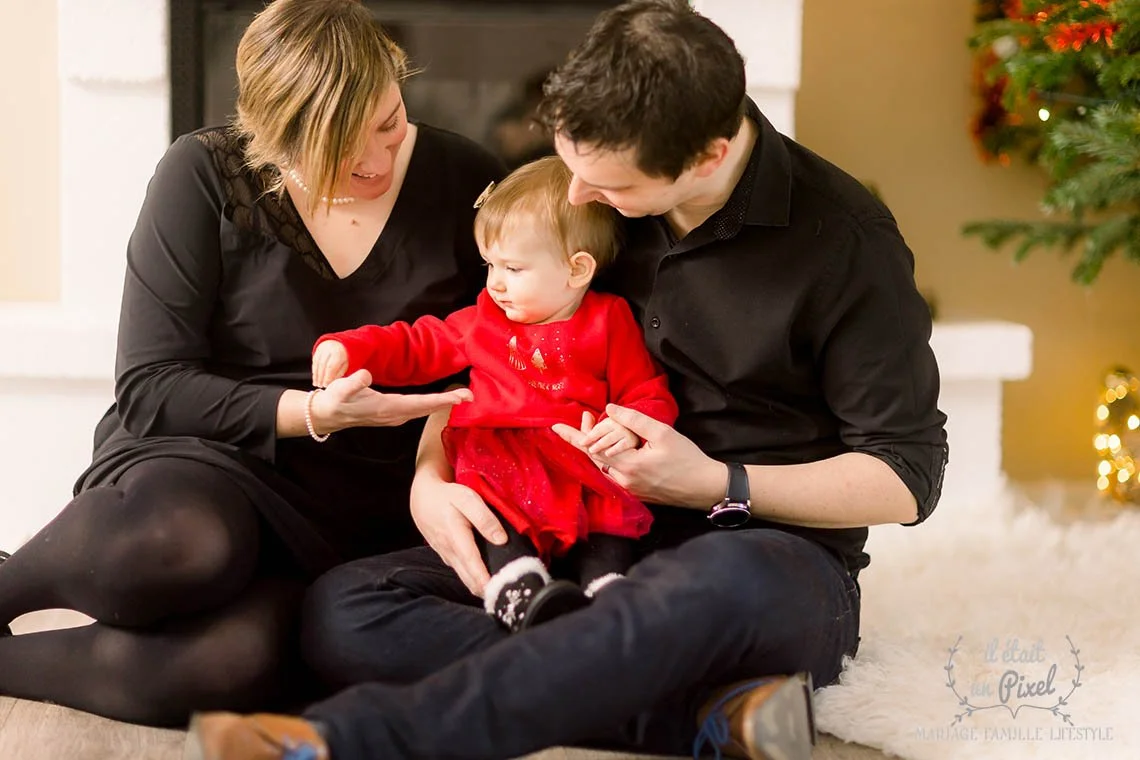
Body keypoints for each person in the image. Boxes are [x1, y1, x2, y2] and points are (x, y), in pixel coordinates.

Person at [186, 1, 949, 758]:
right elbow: (484, 344)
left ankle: (346, 742)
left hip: (757, 552)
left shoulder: (846, 242)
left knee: (715, 585)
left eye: (608, 186)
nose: (579, 197)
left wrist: (717, 481)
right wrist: (429, 474)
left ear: (707, 158)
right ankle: (711, 721)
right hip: (575, 527)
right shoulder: (586, 186)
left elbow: (907, 476)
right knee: (344, 612)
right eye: (571, 164)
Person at [0, 0, 503, 727]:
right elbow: (150, 387)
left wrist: (432, 467)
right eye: (338, 148)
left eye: (389, 123)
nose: (375, 160)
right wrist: (310, 412)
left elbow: (496, 357)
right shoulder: (203, 174)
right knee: (178, 544)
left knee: (229, 666)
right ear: (272, 140)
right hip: (204, 458)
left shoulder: (466, 180)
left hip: (363, 505)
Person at [311, 156, 679, 632]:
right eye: (491, 265)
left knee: (609, 522)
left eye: (513, 267)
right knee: (490, 513)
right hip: (501, 463)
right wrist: (352, 347)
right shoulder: (484, 320)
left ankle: (607, 592)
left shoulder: (609, 321)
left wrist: (626, 428)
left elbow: (645, 391)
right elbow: (419, 343)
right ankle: (519, 590)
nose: (495, 283)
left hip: (579, 460)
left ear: (577, 269)